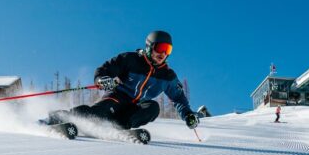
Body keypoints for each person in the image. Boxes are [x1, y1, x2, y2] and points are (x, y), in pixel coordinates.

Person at [50, 30, 199, 131]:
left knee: (153, 108)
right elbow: (105, 70)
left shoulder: (168, 76)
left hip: (135, 107)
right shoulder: (130, 59)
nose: (163, 53)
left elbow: (179, 98)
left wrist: (188, 115)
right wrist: (103, 80)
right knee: (99, 112)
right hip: (118, 97)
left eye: (168, 50)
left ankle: (118, 128)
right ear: (149, 47)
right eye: (160, 48)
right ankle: (61, 118)